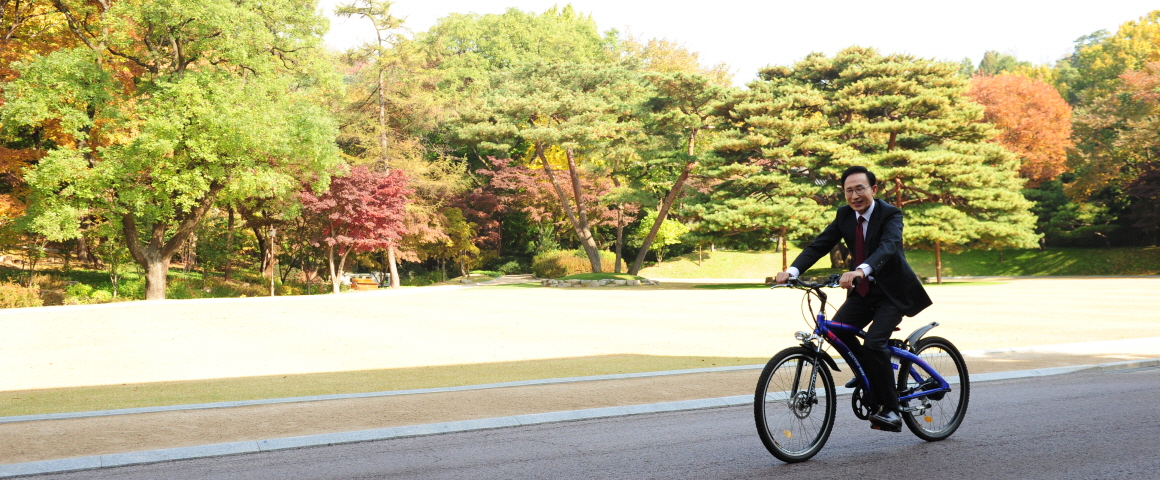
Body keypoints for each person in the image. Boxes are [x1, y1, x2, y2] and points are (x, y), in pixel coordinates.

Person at [774, 166, 932, 431]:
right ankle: (873, 373)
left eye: (860, 188)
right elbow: (820, 244)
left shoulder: (891, 214)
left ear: (874, 189)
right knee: (836, 332)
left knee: (873, 344)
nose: (855, 195)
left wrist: (861, 269)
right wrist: (792, 271)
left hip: (892, 294)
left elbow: (888, 246)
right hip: (862, 294)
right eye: (849, 190)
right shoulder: (844, 215)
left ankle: (891, 409)